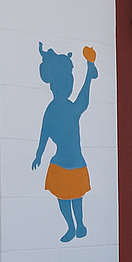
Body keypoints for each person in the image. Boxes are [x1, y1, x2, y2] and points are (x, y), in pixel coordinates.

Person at [32, 44, 97, 243]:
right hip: (65, 162)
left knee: (74, 198)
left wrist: (89, 74)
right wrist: (39, 154)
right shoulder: (56, 110)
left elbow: (83, 101)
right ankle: (72, 226)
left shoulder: (62, 108)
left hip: (71, 162)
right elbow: (44, 133)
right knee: (66, 198)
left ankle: (79, 224)